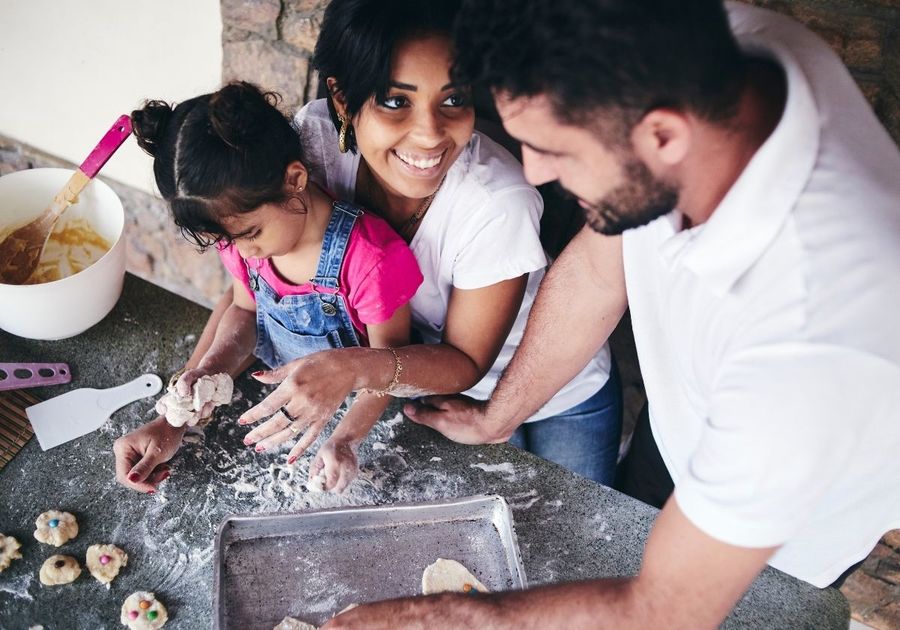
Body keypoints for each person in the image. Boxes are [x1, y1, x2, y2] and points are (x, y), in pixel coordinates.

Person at [323, 0, 900, 627]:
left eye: (555, 152)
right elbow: (601, 272)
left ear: (662, 136)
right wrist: (499, 418)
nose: (535, 170)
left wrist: (439, 616)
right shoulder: (711, 50)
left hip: (784, 540)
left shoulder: (818, 333)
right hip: (677, 423)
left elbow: (662, 608)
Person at [235, 0, 624, 485]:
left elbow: (466, 360)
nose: (430, 134)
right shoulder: (312, 147)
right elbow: (257, 259)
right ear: (340, 98)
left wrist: (352, 369)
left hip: (561, 394)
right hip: (425, 385)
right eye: (396, 101)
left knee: (575, 545)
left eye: (454, 99)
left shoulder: (497, 201)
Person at [114, 81, 422, 494]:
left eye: (250, 233)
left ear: (294, 179)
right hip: (274, 400)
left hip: (360, 415)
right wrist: (201, 381)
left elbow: (386, 368)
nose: (242, 251)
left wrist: (345, 439)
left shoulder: (372, 260)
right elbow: (244, 312)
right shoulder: (240, 238)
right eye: (228, 239)